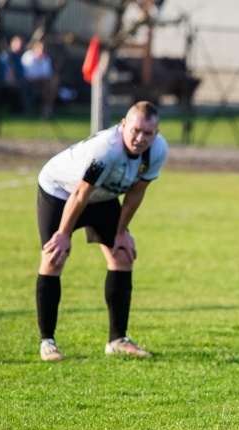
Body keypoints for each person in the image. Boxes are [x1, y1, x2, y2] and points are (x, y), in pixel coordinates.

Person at [36, 101, 168, 362]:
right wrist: (63, 233)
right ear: (123, 125)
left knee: (122, 256)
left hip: (102, 195)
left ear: (157, 132)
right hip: (61, 191)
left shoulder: (158, 150)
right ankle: (47, 342)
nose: (140, 138)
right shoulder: (105, 150)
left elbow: (136, 194)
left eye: (148, 133)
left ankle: (117, 339)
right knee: (53, 258)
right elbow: (80, 193)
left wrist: (121, 232)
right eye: (135, 130)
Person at [21, 40, 57, 117]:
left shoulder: (46, 58)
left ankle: (47, 108)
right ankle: (44, 107)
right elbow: (28, 74)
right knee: (47, 85)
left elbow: (47, 74)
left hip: (41, 81)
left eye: (44, 49)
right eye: (41, 49)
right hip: (26, 81)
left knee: (53, 82)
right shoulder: (28, 57)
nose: (43, 51)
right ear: (35, 48)